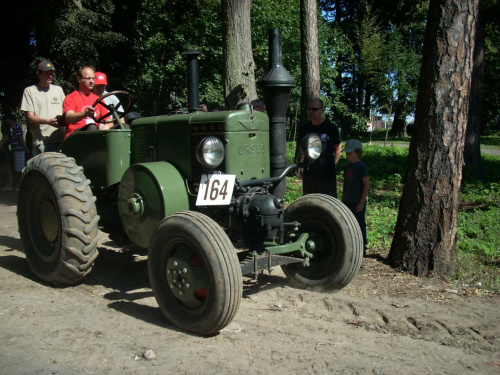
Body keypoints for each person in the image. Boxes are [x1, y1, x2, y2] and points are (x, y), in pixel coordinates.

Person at [296, 98, 341, 197]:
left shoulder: (331, 128)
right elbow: (301, 148)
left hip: (326, 176)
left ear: (322, 110)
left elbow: (338, 149)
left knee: (327, 203)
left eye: (314, 109)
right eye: (309, 109)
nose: (311, 112)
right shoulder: (305, 129)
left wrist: (332, 165)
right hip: (309, 175)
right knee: (310, 202)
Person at [20, 60, 66, 154]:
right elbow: (30, 117)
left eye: (52, 73)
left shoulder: (58, 90)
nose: (50, 76)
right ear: (38, 73)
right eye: (47, 73)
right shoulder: (30, 91)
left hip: (62, 139)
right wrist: (48, 121)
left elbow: (66, 111)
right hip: (43, 141)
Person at [341, 139, 370, 255]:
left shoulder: (362, 167)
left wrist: (361, 202)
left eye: (350, 152)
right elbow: (346, 185)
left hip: (357, 201)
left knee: (359, 224)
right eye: (346, 152)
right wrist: (342, 201)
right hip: (347, 201)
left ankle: (363, 247)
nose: (348, 155)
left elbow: (366, 186)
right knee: (348, 224)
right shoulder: (347, 167)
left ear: (358, 152)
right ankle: (351, 245)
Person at [63, 66, 109, 137]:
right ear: (79, 79)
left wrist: (101, 134)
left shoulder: (99, 99)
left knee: (124, 127)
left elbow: (108, 122)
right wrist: (85, 113)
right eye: (88, 78)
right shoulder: (71, 97)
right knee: (92, 127)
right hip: (75, 137)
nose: (91, 81)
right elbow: (69, 118)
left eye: (93, 78)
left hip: (94, 134)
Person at [4, 114, 28, 190]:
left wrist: (25, 148)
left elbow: (20, 139)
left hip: (19, 150)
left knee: (20, 169)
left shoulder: (17, 127)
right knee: (17, 168)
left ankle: (21, 186)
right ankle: (18, 185)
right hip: (15, 150)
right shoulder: (13, 128)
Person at [0, 120, 14, 190]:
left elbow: (1, 145)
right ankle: (8, 185)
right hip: (5, 152)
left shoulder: (6, 136)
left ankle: (10, 185)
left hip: (6, 153)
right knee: (7, 170)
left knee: (8, 170)